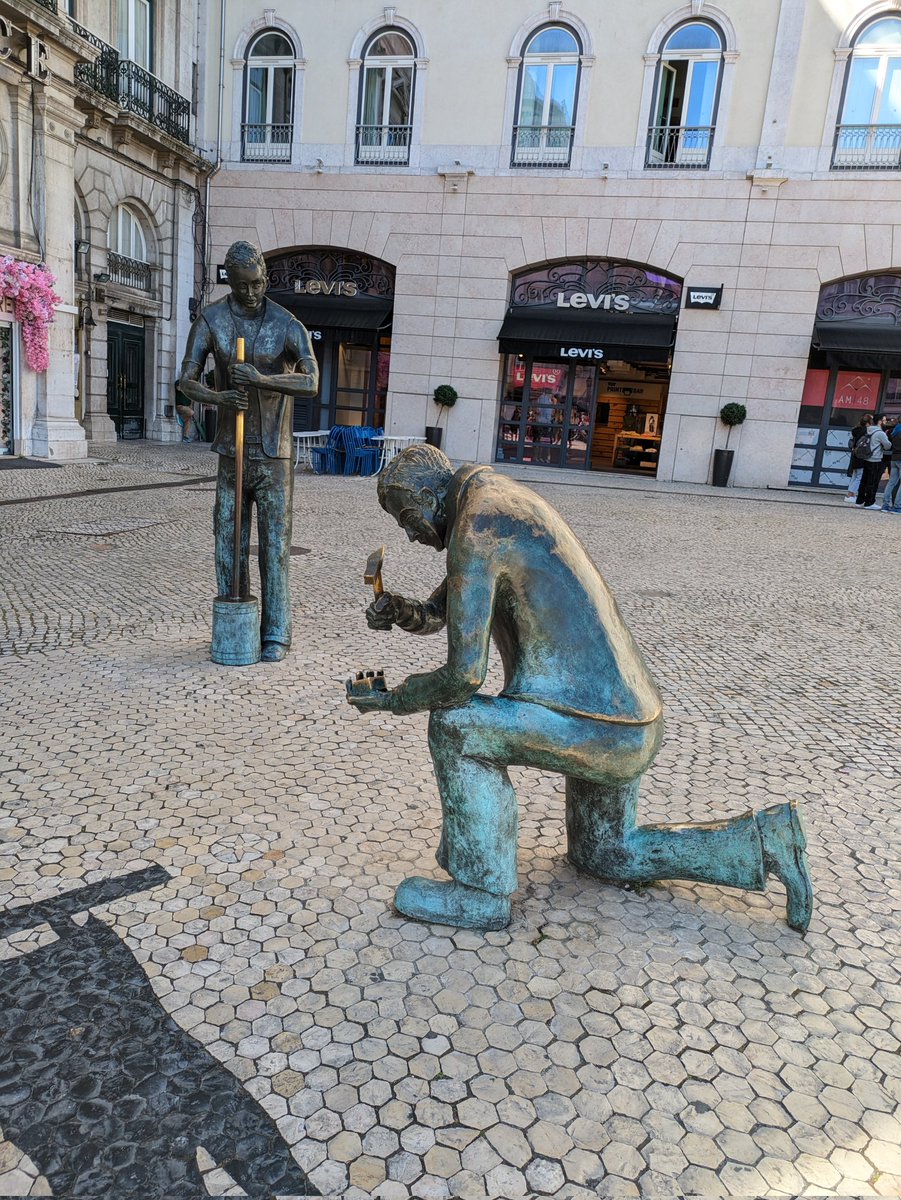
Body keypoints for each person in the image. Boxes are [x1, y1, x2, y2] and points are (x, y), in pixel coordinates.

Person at [347, 445, 812, 933]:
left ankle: (479, 891)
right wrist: (403, 611)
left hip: (593, 724)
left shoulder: (475, 526)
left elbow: (463, 678)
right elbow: (442, 611)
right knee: (608, 853)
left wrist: (393, 699)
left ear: (427, 495)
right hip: (628, 721)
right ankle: (765, 841)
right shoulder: (493, 502)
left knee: (455, 725)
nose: (411, 534)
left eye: (406, 518)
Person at [178, 241, 319, 661]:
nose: (252, 292)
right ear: (230, 282)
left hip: (274, 456)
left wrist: (261, 379)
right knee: (228, 539)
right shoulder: (212, 320)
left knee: (275, 545)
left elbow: (310, 380)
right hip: (231, 450)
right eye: (243, 286)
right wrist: (218, 398)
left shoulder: (286, 323)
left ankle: (276, 632)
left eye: (257, 283)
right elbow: (186, 379)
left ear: (265, 278)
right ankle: (232, 623)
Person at [854, 413, 892, 510]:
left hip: (867, 458)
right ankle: (869, 503)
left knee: (864, 480)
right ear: (879, 421)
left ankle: (859, 501)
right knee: (873, 481)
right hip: (875, 459)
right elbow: (888, 446)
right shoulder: (880, 433)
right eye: (884, 420)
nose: (885, 422)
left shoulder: (869, 430)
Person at [844, 415, 868, 503]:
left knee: (854, 475)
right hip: (861, 455)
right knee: (859, 476)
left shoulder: (855, 430)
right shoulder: (865, 432)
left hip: (854, 455)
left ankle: (850, 495)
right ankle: (850, 494)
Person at [881, 414, 901, 513]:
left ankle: (885, 505)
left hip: (894, 458)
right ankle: (897, 507)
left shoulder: (895, 431)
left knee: (891, 482)